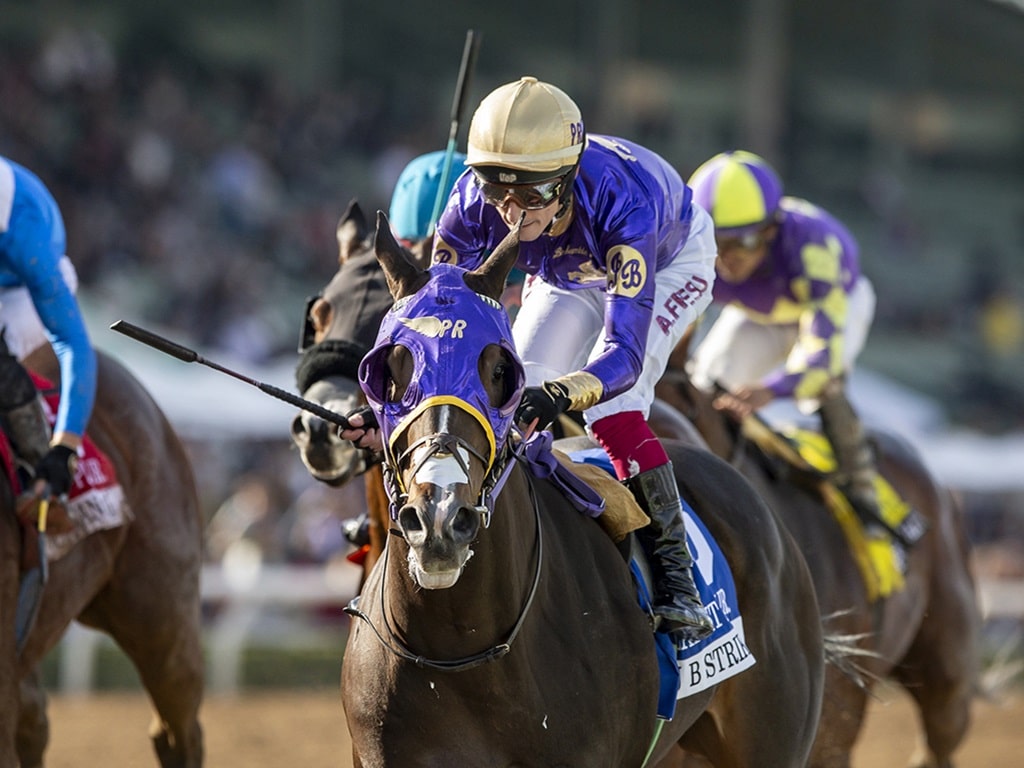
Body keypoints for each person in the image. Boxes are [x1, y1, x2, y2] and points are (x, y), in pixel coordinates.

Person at [347, 76, 720, 642]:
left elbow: (622, 355)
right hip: (565, 274)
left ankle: (677, 578)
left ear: (568, 179)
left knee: (614, 407)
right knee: (516, 389)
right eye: (498, 191)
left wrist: (563, 394)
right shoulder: (469, 209)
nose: (514, 215)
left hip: (668, 261)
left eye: (534, 195)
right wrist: (390, 416)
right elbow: (442, 342)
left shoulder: (624, 205)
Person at [685, 149, 881, 525]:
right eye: (716, 241)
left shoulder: (814, 249)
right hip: (760, 313)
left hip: (836, 302)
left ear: (771, 231)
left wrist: (771, 389)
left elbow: (820, 358)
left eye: (741, 243)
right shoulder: (693, 251)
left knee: (819, 387)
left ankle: (862, 487)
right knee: (705, 379)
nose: (726, 259)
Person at [0, 154, 95, 508]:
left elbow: (72, 342)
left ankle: (43, 482)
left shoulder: (22, 233)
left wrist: (65, 446)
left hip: (20, 288)